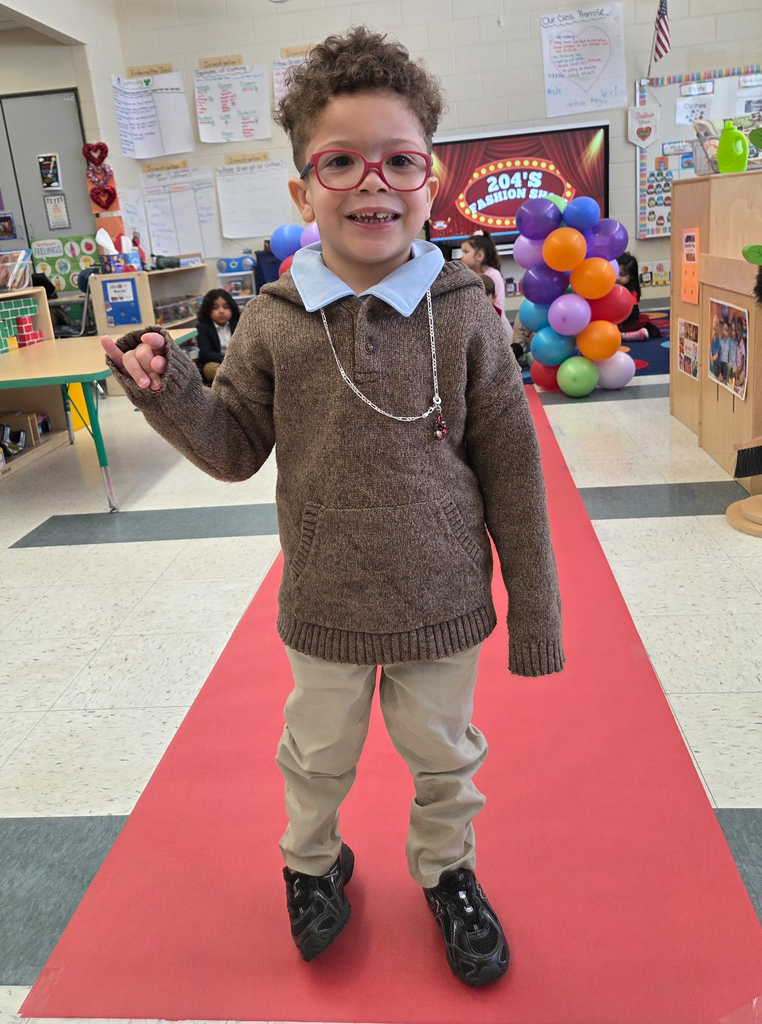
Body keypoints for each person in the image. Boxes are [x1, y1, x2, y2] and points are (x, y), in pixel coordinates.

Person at [101, 27, 564, 989]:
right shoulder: (275, 318)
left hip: (443, 594)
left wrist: (537, 611)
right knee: (316, 754)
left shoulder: (465, 308)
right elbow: (233, 447)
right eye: (341, 162)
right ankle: (313, 866)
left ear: (428, 182)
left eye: (400, 161)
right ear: (303, 190)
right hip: (325, 600)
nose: (372, 184)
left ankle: (448, 872)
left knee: (445, 756)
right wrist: (169, 390)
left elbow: (514, 471)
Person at [196, 288, 241, 383]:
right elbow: (205, 353)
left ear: (232, 308)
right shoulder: (202, 327)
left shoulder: (238, 323)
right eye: (215, 308)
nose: (221, 311)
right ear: (208, 310)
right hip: (215, 362)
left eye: (226, 307)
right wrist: (227, 360)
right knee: (214, 369)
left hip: (237, 361)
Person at [616, 252, 662, 340]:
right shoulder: (611, 286)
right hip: (614, 319)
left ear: (631, 276)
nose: (617, 278)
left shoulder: (631, 291)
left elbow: (633, 312)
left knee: (647, 326)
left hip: (626, 321)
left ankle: (625, 336)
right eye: (616, 273)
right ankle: (624, 335)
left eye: (622, 275)